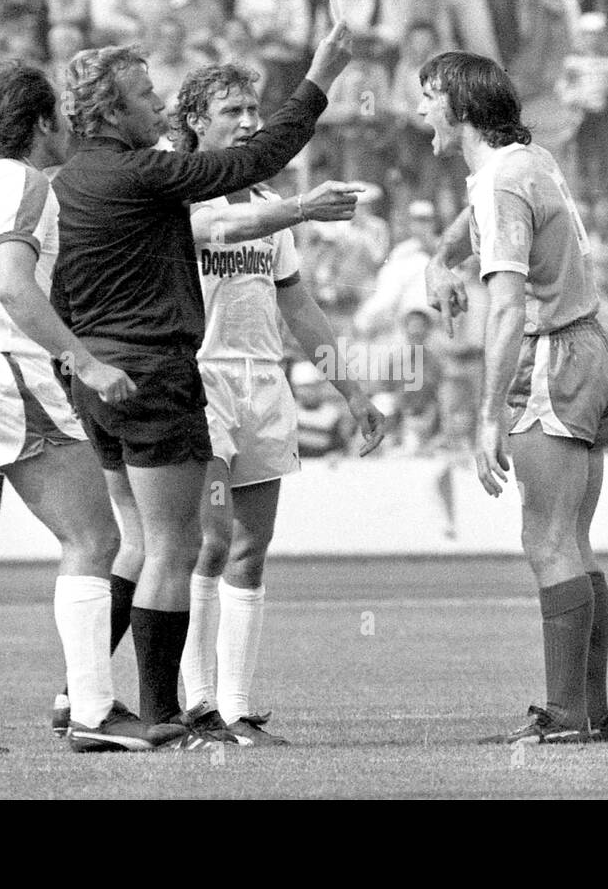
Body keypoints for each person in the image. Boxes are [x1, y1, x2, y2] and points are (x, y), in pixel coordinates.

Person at [48, 9, 353, 742]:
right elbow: (243, 176)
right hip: (160, 374)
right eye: (146, 98)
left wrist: (78, 360)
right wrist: (318, 83)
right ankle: (164, 712)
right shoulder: (151, 175)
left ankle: (87, 699)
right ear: (111, 110)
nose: (156, 108)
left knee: (136, 544)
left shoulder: (70, 181)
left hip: (100, 377)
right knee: (176, 547)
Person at [0, 62, 187, 756]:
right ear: (38, 123)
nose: (66, 126)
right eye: (57, 115)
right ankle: (92, 711)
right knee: (96, 539)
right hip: (2, 371)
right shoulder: (28, 183)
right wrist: (84, 359)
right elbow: (12, 284)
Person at [173, 62, 385, 745]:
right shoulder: (178, 197)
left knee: (252, 546)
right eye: (230, 109)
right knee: (209, 539)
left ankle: (236, 708)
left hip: (264, 381)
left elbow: (298, 304)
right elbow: (221, 235)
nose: (247, 121)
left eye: (252, 109)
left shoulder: (268, 203)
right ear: (195, 122)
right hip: (199, 380)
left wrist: (352, 389)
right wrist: (299, 206)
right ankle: (198, 702)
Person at [423, 51, 608, 744]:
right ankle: (587, 712)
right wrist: (442, 255)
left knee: (545, 538)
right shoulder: (528, 161)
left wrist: (486, 417)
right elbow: (483, 210)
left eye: (428, 97)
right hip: (593, 344)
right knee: (573, 537)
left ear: (457, 107)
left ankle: (566, 716)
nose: (420, 109)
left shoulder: (499, 184)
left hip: (552, 358)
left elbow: (507, 309)